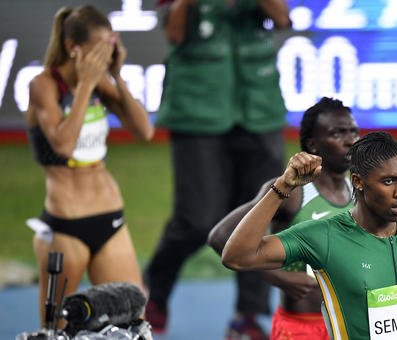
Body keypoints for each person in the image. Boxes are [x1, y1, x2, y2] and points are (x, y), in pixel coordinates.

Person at [221, 131, 397, 339]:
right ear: (359, 182)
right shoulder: (324, 237)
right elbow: (238, 256)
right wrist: (283, 187)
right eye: (388, 181)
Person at [143, 0, 291, 337]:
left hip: (258, 108)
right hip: (197, 109)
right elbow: (174, 32)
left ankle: (248, 316)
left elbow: (281, 17)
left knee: (259, 216)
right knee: (196, 219)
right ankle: (155, 291)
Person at [25, 5, 154, 328]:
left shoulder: (101, 84)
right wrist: (84, 84)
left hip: (110, 220)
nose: (104, 57)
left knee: (132, 321)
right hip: (66, 227)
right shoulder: (44, 85)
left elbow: (144, 131)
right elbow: (63, 144)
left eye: (109, 48)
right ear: (73, 48)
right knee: (59, 328)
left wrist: (117, 74)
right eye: (100, 51)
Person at [208, 97, 359, 339]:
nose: (351, 141)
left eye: (353, 131)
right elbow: (220, 237)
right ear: (313, 144)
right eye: (338, 133)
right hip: (302, 327)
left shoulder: (359, 191)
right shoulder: (292, 192)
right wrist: (277, 277)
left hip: (351, 325)